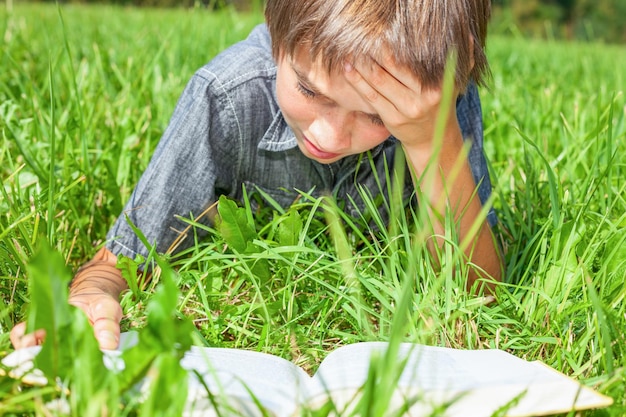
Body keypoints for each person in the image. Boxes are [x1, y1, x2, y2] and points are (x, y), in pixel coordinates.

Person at [11, 0, 502, 350]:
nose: (329, 137)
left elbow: (477, 292)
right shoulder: (229, 94)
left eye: (378, 117)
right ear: (277, 37)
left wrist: (428, 141)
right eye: (309, 90)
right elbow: (116, 264)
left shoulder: (429, 104)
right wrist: (89, 296)